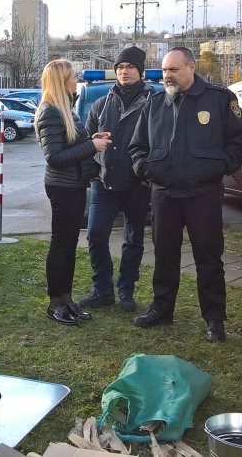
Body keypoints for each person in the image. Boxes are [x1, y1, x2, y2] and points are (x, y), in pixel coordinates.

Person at [129, 47, 242, 342]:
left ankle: (214, 319)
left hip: (203, 195)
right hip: (165, 195)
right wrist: (146, 170)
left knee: (208, 258)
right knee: (164, 255)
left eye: (173, 69)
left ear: (191, 67)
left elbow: (238, 143)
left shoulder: (219, 100)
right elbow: (137, 147)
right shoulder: (155, 103)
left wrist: (218, 167)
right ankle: (162, 308)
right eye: (164, 70)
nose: (167, 75)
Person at [35, 59, 110, 325]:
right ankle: (55, 303)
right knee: (61, 245)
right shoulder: (50, 111)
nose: (76, 79)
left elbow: (71, 143)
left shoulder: (66, 106)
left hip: (75, 185)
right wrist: (92, 147)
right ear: (61, 80)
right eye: (72, 75)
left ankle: (67, 300)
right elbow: (54, 157)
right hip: (62, 187)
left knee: (68, 246)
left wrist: (91, 139)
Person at [79, 46, 154, 312]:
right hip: (104, 182)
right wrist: (92, 165)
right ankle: (102, 289)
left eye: (130, 67)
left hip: (137, 184)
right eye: (120, 67)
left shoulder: (153, 101)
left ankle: (126, 289)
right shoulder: (101, 104)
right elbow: (87, 140)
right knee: (96, 235)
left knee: (133, 239)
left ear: (140, 71)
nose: (124, 71)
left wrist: (148, 174)